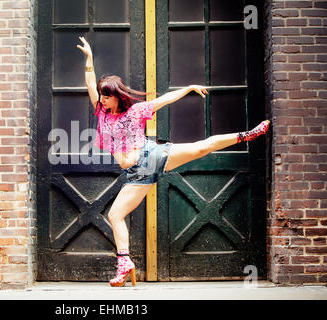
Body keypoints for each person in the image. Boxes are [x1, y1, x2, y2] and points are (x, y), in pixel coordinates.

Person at [77, 37, 270, 287]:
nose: (102, 99)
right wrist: (90, 59)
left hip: (150, 156)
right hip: (137, 174)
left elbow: (163, 100)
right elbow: (90, 84)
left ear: (117, 96)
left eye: (106, 96)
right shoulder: (101, 111)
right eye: (101, 96)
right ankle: (125, 263)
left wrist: (188, 88)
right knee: (115, 215)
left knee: (201, 147)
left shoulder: (134, 111)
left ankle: (247, 134)